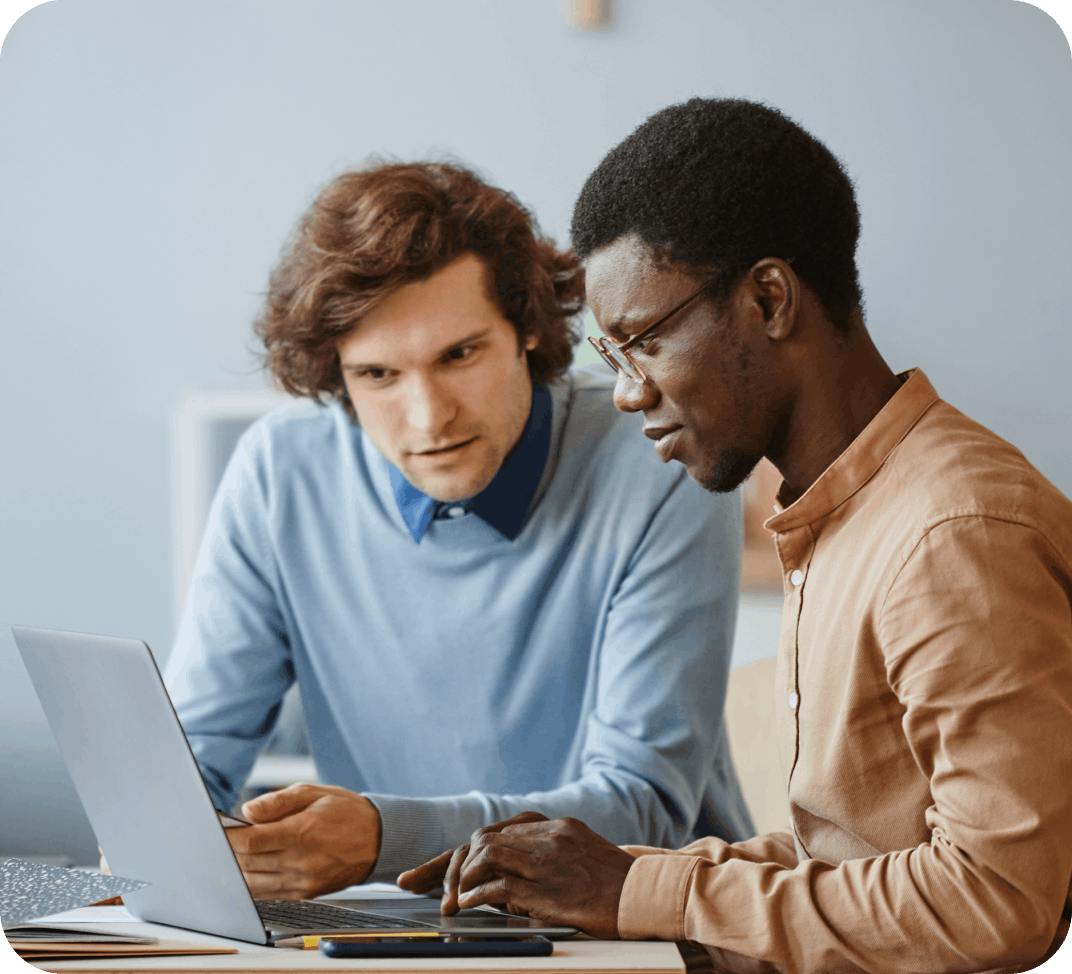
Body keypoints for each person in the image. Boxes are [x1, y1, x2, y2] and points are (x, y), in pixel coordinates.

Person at [399, 101, 1072, 973]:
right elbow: (852, 871)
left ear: (768, 299)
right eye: (613, 360)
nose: (632, 394)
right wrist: (600, 878)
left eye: (642, 342)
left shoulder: (949, 533)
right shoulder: (844, 515)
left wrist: (639, 894)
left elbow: (993, 899)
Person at [162, 160, 754, 901]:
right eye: (378, 375)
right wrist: (179, 841)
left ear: (527, 334)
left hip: (634, 926)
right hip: (400, 926)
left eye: (459, 355)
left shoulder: (660, 460)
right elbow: (185, 769)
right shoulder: (280, 472)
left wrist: (382, 837)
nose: (428, 418)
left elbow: (642, 809)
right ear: (337, 378)